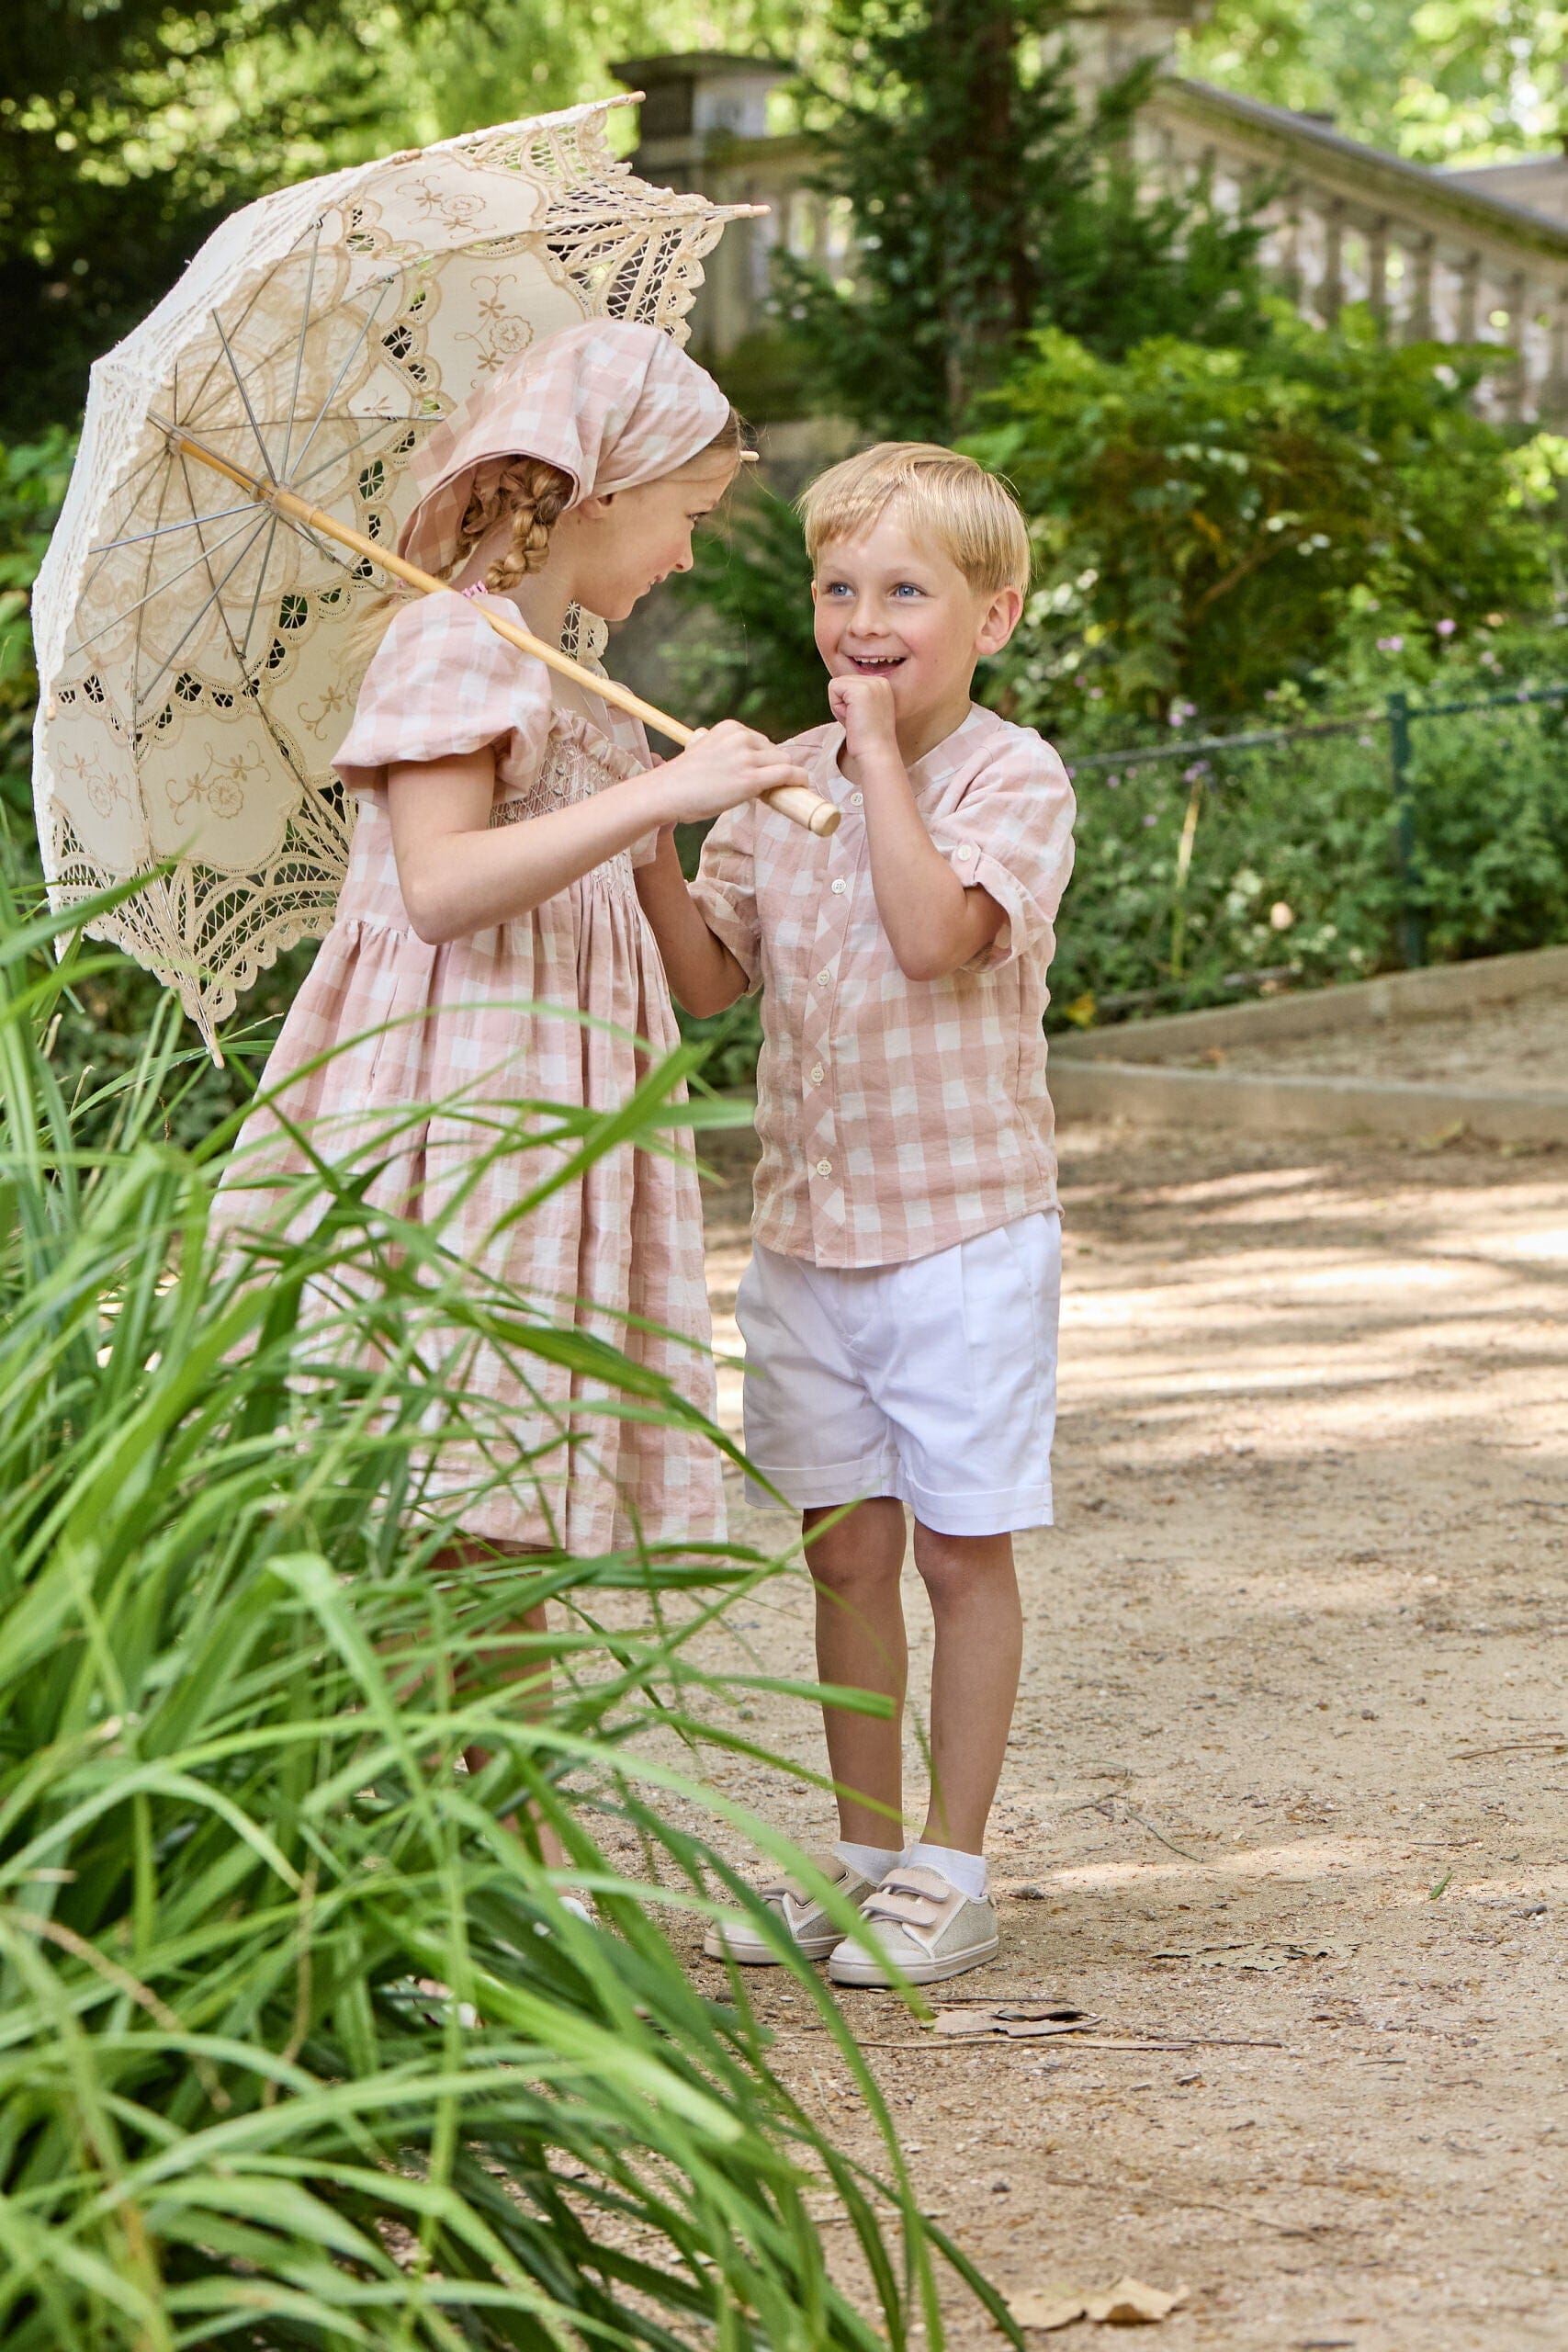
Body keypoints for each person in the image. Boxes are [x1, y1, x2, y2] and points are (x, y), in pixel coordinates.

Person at [221, 319, 807, 1700]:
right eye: (687, 515)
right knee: (459, 1489)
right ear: (599, 488)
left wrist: (683, 817)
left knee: (512, 1503)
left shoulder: (575, 681)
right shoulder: (452, 645)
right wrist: (653, 796)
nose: (684, 555)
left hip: (560, 1126)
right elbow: (437, 886)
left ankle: (505, 1838)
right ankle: (490, 1838)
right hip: (463, 1110)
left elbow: (674, 952)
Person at [635, 442, 1076, 1985]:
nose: (864, 618)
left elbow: (935, 932)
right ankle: (867, 1855)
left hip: (963, 1233)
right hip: (812, 1239)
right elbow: (707, 984)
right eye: (839, 588)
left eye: (906, 589)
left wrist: (876, 760)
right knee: (844, 1554)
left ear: (994, 615)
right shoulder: (773, 794)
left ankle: (953, 1869)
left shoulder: (1014, 777)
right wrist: (657, 826)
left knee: (961, 1556)